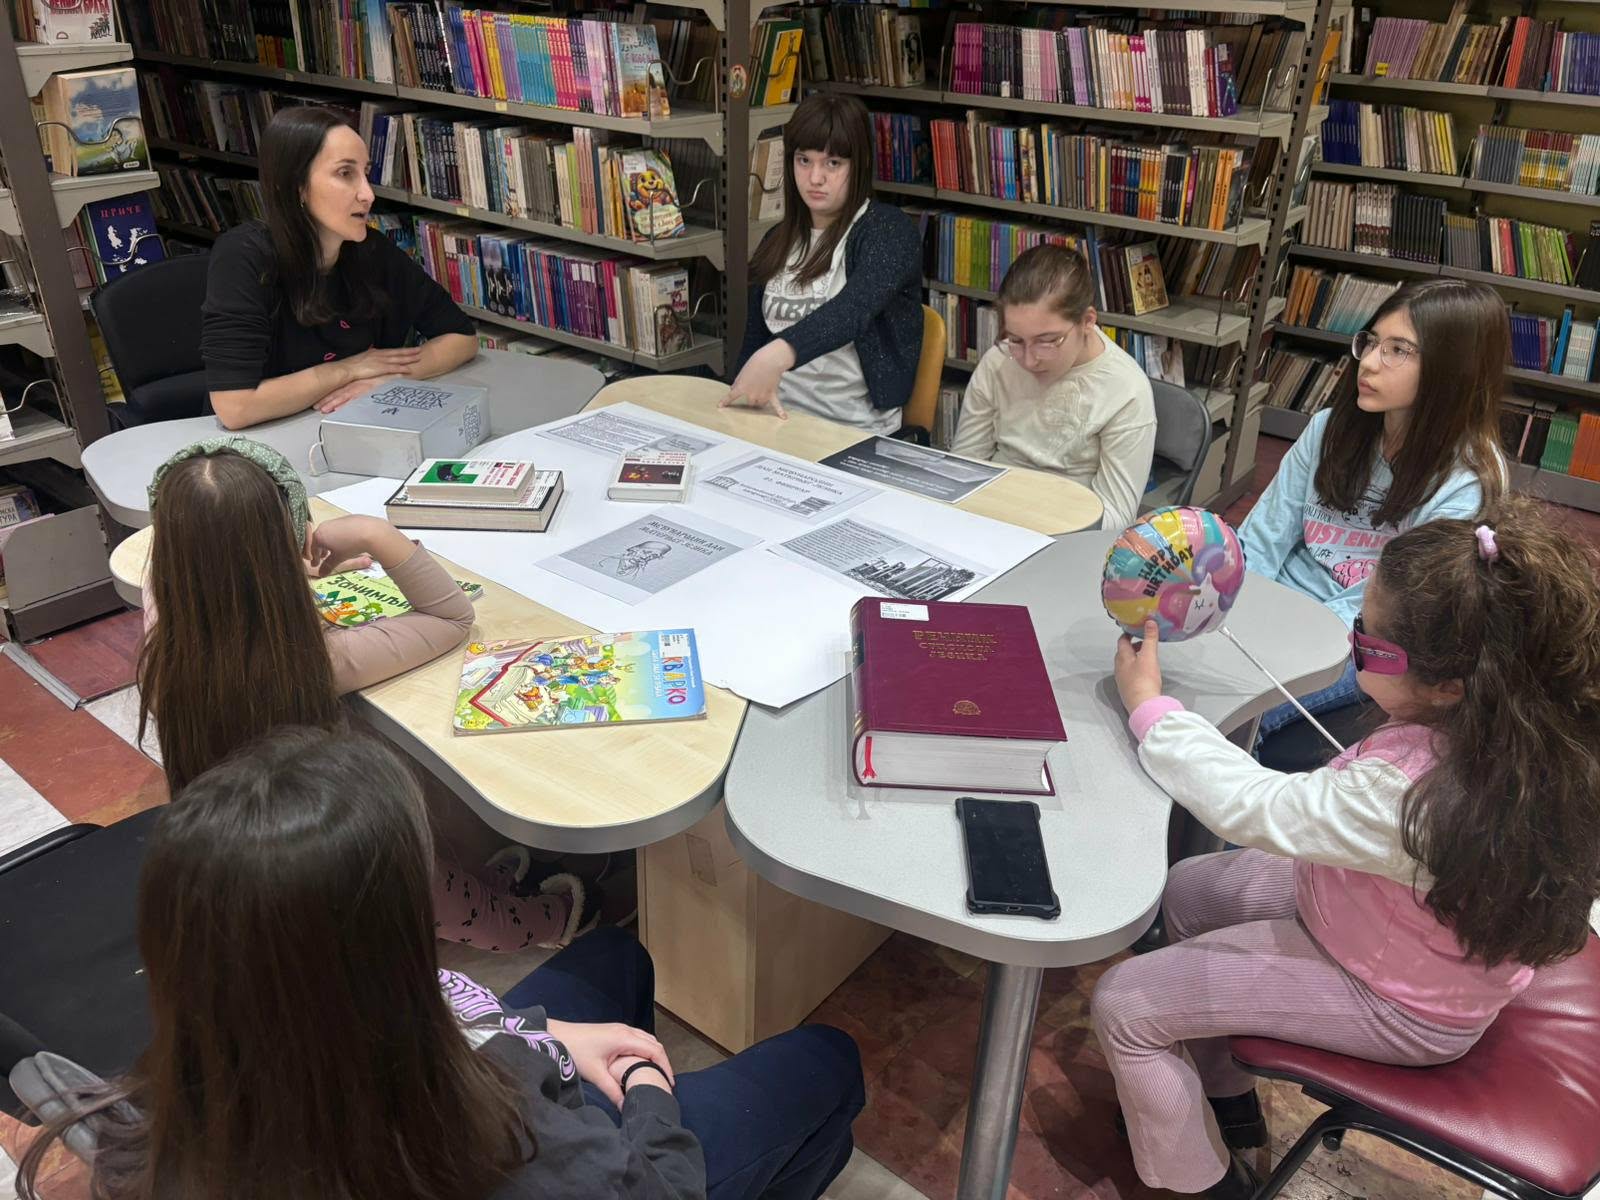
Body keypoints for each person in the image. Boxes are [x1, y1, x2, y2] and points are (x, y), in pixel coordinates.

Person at [14, 728, 866, 1200]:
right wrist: (648, 1091)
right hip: (573, 1161)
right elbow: (659, 1186)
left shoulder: (157, 1119)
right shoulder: (528, 1155)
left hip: (451, 1100)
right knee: (827, 1065)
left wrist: (538, 1034)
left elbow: (442, 1023)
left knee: (616, 957)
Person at [1091, 498, 1600, 1198]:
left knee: (1125, 1004)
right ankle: (1223, 1090)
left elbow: (1253, 805)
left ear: (1449, 685)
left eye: (1366, 639)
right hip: (1386, 918)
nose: (1352, 640)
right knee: (1189, 891)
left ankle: (1206, 1186)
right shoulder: (1514, 735)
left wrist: (1149, 705)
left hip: (1402, 1003)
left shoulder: (1416, 797)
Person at [136, 436, 589, 950]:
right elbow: (451, 617)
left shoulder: (164, 640)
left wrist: (278, 565)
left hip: (227, 838)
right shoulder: (312, 662)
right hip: (328, 841)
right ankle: (549, 924)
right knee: (431, 886)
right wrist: (375, 534)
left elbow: (184, 567)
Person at [1240, 278, 1506, 739]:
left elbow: (1395, 609)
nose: (1367, 362)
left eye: (1398, 350)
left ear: (1453, 369)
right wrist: (1237, 605)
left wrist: (1280, 642)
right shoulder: (1329, 429)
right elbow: (1263, 537)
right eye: (1371, 342)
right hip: (1276, 606)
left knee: (1247, 714)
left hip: (1365, 639)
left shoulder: (1467, 482)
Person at [200, 105, 477, 430]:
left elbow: (461, 337)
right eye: (345, 174)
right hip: (258, 443)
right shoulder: (244, 256)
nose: (368, 194)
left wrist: (389, 379)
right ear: (297, 186)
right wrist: (350, 369)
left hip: (348, 429)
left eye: (366, 173)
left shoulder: (371, 250)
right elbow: (234, 407)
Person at [725, 93, 923, 434]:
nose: (815, 178)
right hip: (775, 421)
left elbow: (854, 309)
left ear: (859, 164)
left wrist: (781, 352)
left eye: (832, 163)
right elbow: (753, 345)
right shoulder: (776, 238)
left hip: (853, 429)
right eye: (804, 160)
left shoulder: (889, 231)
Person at [950, 243, 1156, 532]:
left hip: (1070, 533)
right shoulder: (999, 360)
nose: (1029, 360)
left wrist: (1022, 519)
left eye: (1047, 342)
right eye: (1015, 340)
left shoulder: (1126, 390)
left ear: (1087, 321)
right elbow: (961, 469)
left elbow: (1114, 519)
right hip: (989, 520)